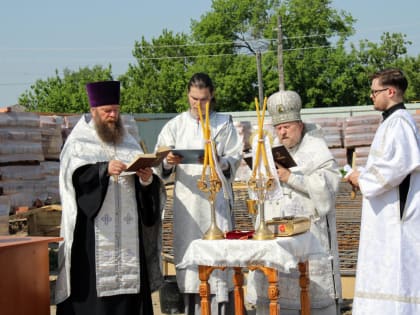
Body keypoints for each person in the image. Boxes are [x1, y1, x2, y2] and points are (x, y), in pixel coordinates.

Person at [55, 80, 166, 315]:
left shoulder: (128, 140)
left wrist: (146, 179)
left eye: (116, 110)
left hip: (128, 241)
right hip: (92, 239)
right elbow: (73, 181)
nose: (113, 116)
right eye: (107, 111)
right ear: (93, 111)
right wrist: (103, 170)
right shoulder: (78, 142)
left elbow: (147, 192)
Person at [246, 90, 342, 315]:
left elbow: (329, 187)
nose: (282, 131)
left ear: (299, 124)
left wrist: (292, 178)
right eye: (278, 128)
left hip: (309, 238)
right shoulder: (270, 150)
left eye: (287, 126)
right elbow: (256, 190)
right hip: (277, 236)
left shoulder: (317, 149)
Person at [155, 72, 243, 314]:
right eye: (193, 99)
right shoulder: (174, 126)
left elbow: (235, 157)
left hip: (217, 204)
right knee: (192, 258)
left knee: (219, 258)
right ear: (188, 95)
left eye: (203, 99)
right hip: (189, 204)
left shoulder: (223, 124)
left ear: (211, 96)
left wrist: (221, 161)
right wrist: (169, 161)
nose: (197, 104)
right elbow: (159, 163)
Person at [346, 68, 420, 315]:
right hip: (383, 212)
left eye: (374, 91)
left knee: (395, 271)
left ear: (390, 91)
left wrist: (362, 179)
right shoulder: (390, 122)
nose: (371, 96)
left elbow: (396, 167)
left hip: (395, 217)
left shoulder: (399, 123)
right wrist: (363, 175)